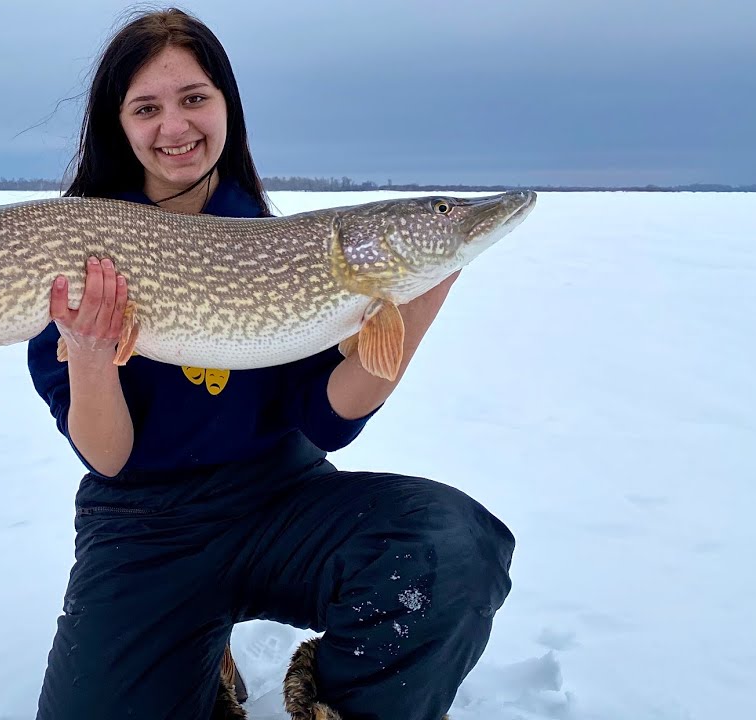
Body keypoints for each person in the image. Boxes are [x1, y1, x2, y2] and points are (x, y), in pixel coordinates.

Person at [26, 8, 515, 720]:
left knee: (451, 548)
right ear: (120, 124)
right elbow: (108, 457)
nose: (175, 127)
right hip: (145, 525)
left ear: (227, 106)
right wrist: (93, 358)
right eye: (148, 108)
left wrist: (423, 293)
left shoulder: (282, 247)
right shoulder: (81, 250)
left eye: (195, 99)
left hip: (280, 501)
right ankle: (194, 657)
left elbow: (327, 420)